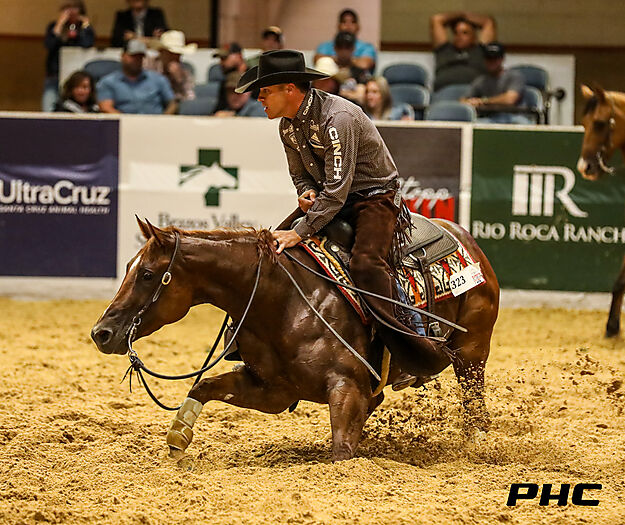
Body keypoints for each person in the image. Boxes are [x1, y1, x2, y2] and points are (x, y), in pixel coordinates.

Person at [236, 50, 448, 385]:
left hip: (374, 197)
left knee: (367, 264)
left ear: (289, 89)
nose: (259, 98)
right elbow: (301, 175)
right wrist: (306, 191)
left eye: (265, 91)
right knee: (267, 252)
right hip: (331, 198)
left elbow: (337, 188)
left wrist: (300, 231)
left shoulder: (338, 118)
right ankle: (250, 344)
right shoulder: (287, 127)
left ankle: (414, 346)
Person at [97, 39, 177, 114]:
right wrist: (127, 121)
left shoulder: (158, 79)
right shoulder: (108, 82)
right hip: (123, 122)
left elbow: (172, 104)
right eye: (133, 56)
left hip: (155, 121)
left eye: (140, 57)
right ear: (122, 56)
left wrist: (164, 119)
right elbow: (105, 107)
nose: (137, 60)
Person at [43, 0, 95, 112]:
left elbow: (87, 44)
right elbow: (49, 45)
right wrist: (59, 24)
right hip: (54, 75)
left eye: (75, 8)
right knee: (48, 109)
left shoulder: (85, 27)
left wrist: (86, 26)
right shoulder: (53, 26)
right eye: (67, 8)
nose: (71, 11)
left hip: (76, 79)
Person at [461, 42, 530, 124]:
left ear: (502, 59)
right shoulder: (481, 80)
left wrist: (484, 101)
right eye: (488, 58)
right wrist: (470, 102)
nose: (491, 62)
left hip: (513, 116)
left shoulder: (515, 76)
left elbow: (510, 99)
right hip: (490, 117)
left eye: (495, 58)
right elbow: (463, 100)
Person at [430, 11, 496, 92]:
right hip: (445, 91)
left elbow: (488, 22)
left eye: (465, 33)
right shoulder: (444, 50)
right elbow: (437, 19)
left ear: (474, 37)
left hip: (474, 93)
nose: (459, 36)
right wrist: (459, 15)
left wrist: (464, 16)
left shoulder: (481, 51)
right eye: (456, 33)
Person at [146, 30, 197, 102]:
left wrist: (179, 82)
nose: (175, 58)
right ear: (161, 52)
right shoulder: (148, 66)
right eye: (171, 54)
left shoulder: (184, 72)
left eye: (178, 54)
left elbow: (190, 99)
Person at [332, 31, 371, 107]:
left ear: (353, 49)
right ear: (335, 48)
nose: (344, 51)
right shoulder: (328, 68)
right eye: (340, 47)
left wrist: (342, 93)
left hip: (354, 108)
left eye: (347, 48)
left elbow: (362, 97)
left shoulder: (359, 70)